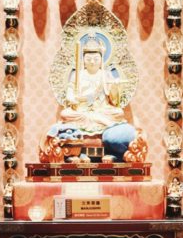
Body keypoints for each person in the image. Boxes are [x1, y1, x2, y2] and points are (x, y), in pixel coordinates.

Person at [43, 34, 146, 162]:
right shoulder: (78, 75)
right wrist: (72, 99)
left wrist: (114, 87)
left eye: (96, 59)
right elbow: (70, 92)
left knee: (118, 112)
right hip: (82, 112)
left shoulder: (105, 74)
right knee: (66, 114)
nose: (92, 62)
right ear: (83, 60)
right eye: (89, 59)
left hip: (103, 111)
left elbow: (114, 101)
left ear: (102, 59)